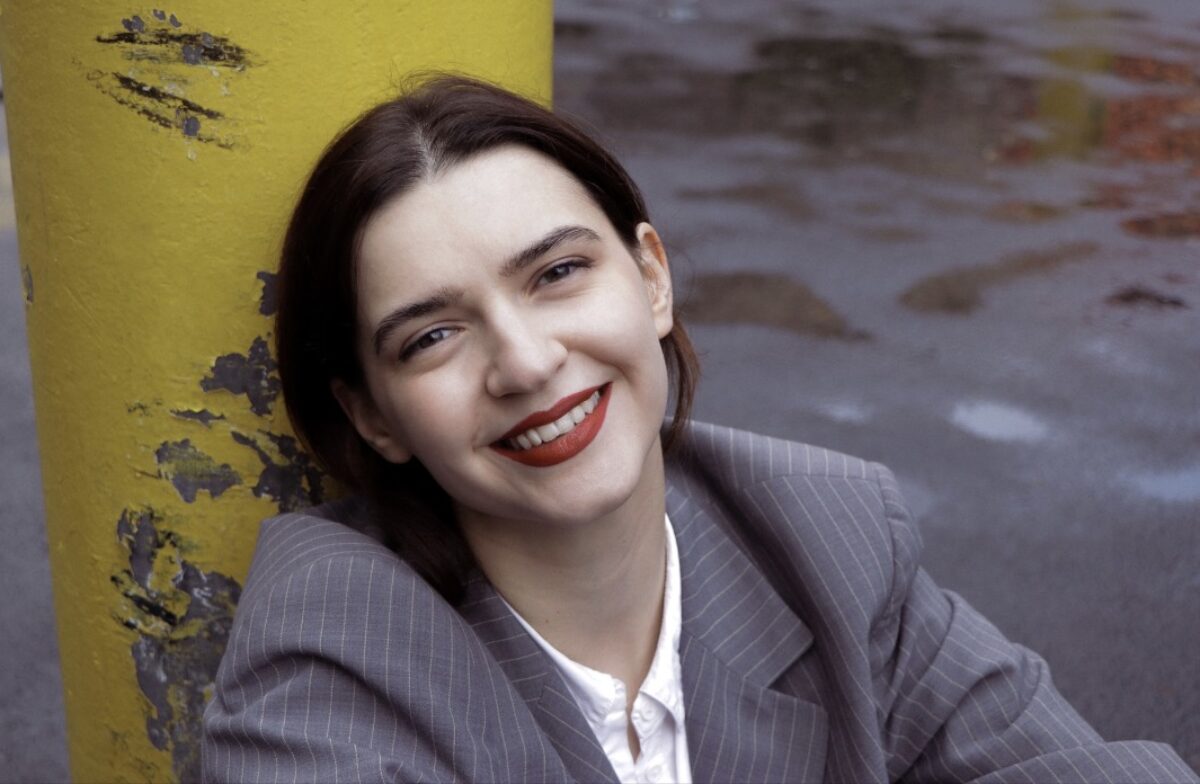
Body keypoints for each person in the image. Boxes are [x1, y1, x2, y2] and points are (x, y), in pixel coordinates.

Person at [201, 75, 1197, 783]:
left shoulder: (826, 542)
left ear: (651, 278)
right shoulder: (330, 667)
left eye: (557, 273)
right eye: (433, 336)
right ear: (375, 416)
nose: (527, 362)